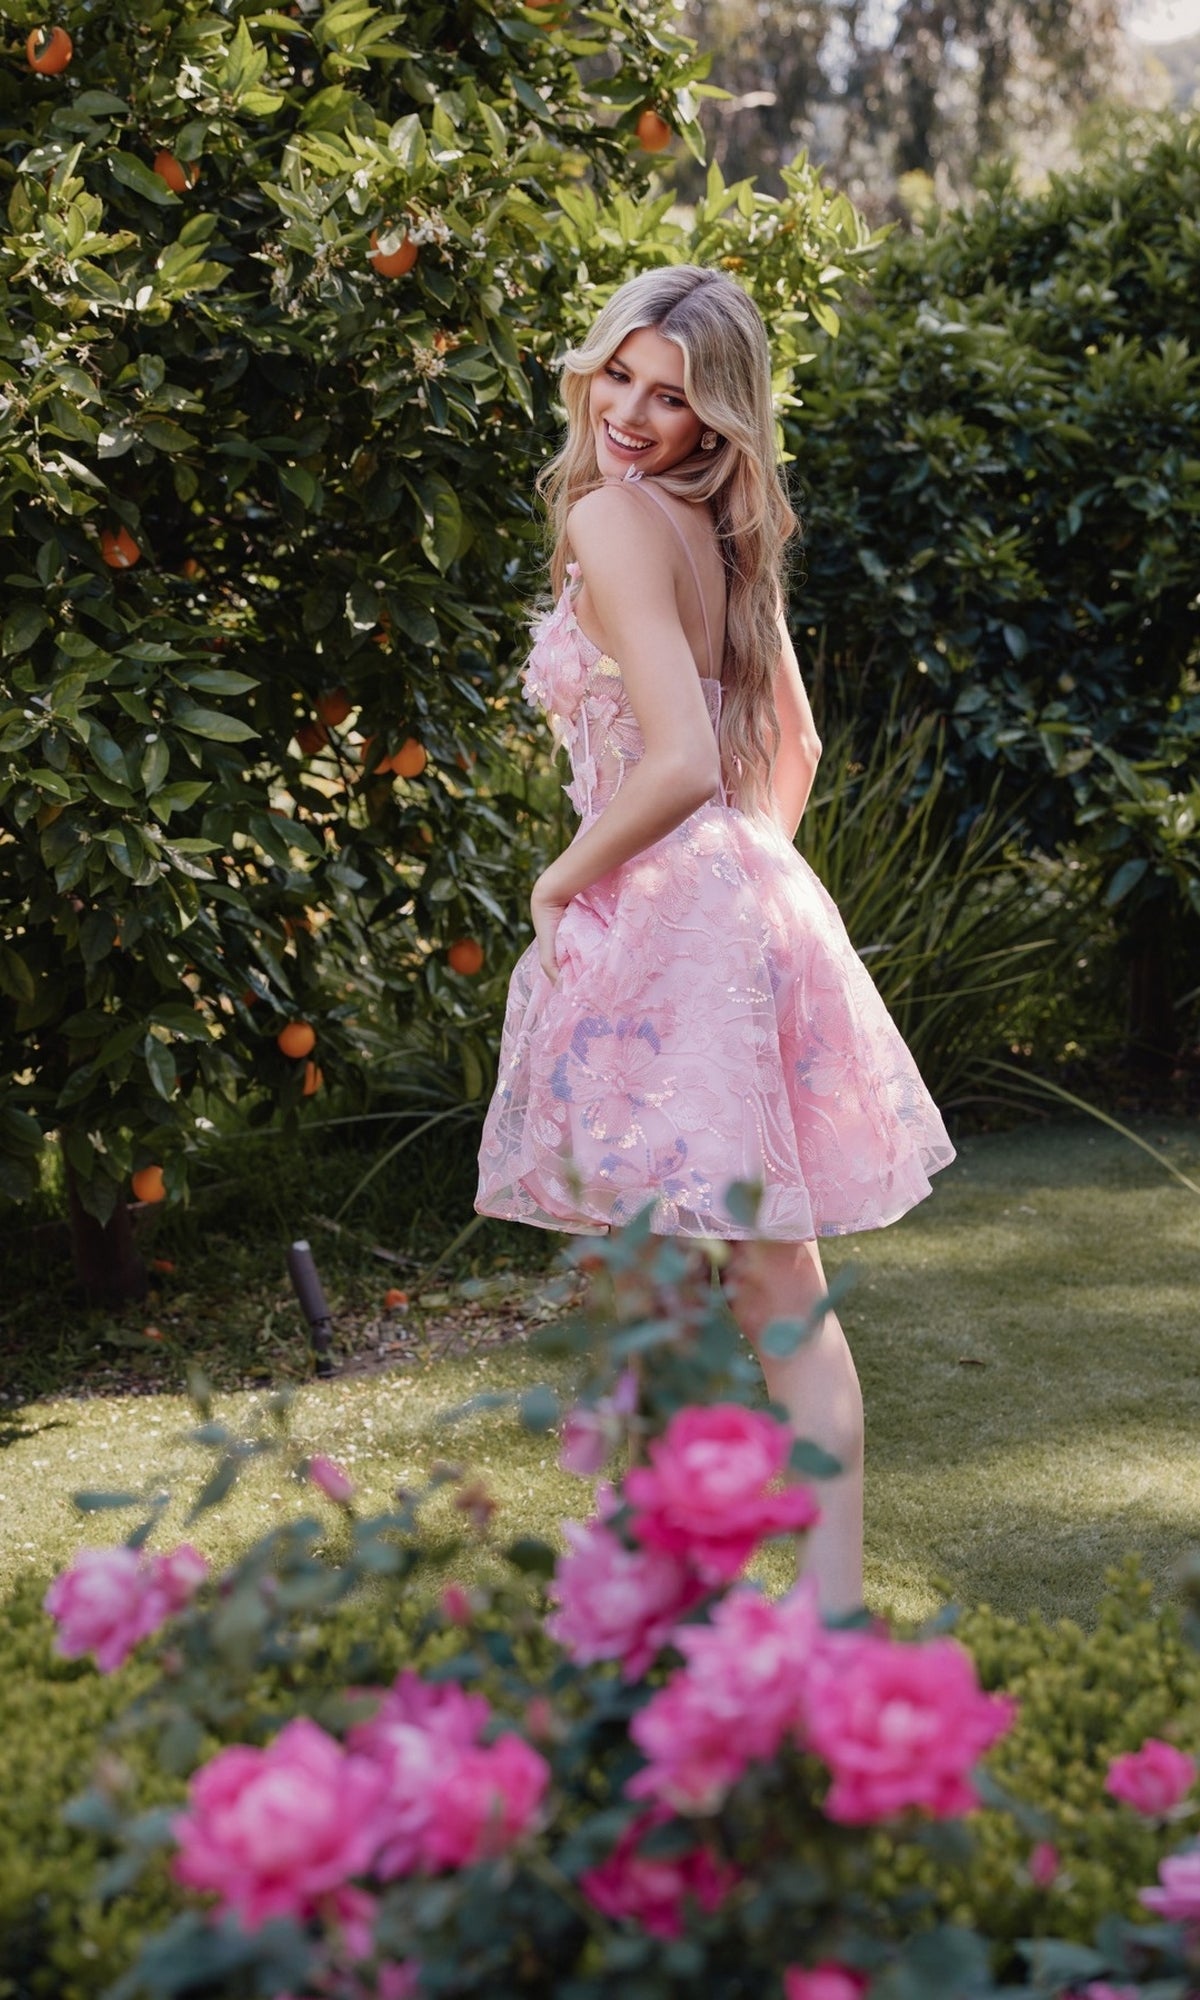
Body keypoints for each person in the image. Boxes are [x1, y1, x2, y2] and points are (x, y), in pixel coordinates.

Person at [475, 265, 955, 1613]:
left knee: (656, 1278)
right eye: (619, 376)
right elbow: (793, 748)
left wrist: (562, 884)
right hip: (745, 892)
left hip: (664, 913)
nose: (630, 414)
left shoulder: (612, 517)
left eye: (671, 397)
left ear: (717, 416)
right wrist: (744, 897)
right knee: (772, 1281)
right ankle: (823, 1602)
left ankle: (646, 1585)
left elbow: (683, 760)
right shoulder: (724, 535)